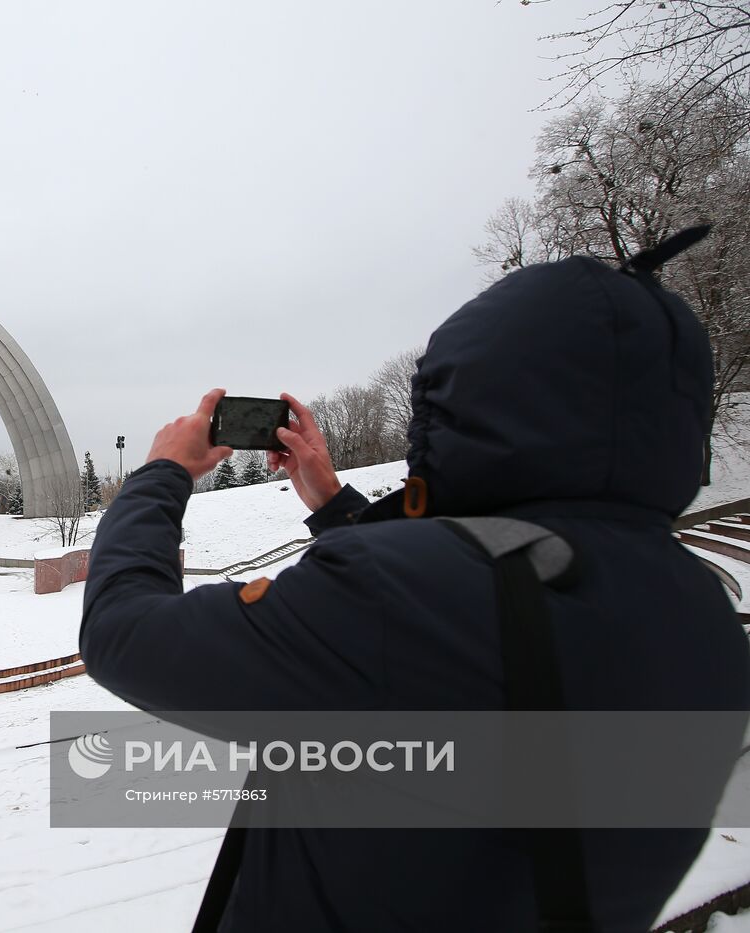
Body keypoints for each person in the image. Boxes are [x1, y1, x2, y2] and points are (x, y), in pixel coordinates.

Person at [80, 236, 749, 932]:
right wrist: (336, 504)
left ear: (469, 402)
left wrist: (162, 473)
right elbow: (452, 643)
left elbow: (122, 631)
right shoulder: (705, 617)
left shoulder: (393, 597)